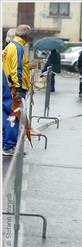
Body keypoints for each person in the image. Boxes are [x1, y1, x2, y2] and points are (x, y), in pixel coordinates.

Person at [2, 24, 37, 156]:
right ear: (27, 36)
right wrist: (18, 89)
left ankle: (6, 144)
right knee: (15, 117)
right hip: (13, 88)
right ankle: (9, 146)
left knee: (8, 116)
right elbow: (16, 69)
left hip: (6, 85)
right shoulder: (18, 47)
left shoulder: (9, 47)